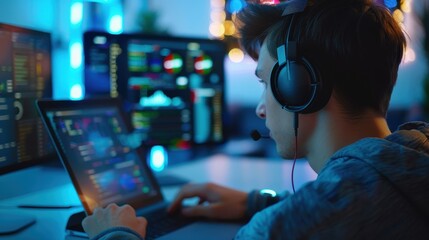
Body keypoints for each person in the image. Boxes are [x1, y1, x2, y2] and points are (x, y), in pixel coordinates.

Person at [82, 0, 429, 239]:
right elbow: (345, 200)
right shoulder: (415, 153)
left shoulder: (283, 229)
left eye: (266, 82)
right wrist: (255, 202)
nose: (262, 108)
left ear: (299, 87)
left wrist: (115, 235)